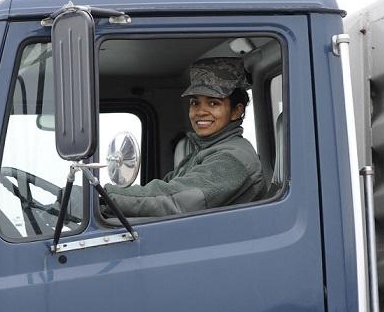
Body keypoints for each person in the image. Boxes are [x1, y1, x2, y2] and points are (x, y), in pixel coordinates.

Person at [102, 57, 265, 217]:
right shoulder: (203, 152)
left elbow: (173, 200)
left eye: (213, 103)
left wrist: (104, 197)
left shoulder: (232, 159)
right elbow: (164, 189)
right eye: (195, 103)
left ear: (237, 111)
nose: (200, 112)